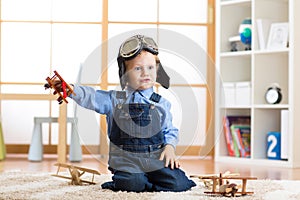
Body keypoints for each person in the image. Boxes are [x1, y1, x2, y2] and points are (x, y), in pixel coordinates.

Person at [55, 34, 196, 192]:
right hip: (125, 159)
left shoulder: (161, 103)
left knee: (179, 184)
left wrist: (170, 147)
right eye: (137, 68)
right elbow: (91, 96)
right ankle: (131, 182)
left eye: (150, 68)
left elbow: (169, 129)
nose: (145, 73)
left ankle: (146, 181)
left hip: (155, 158)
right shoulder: (114, 99)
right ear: (124, 74)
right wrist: (72, 90)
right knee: (131, 183)